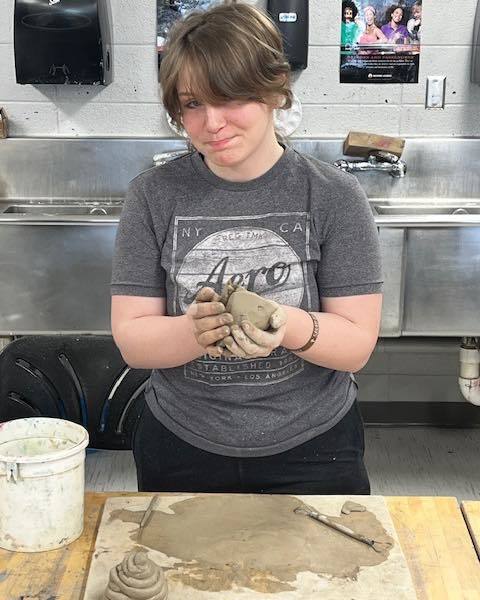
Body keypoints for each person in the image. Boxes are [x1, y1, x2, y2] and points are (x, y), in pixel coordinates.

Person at [111, 2, 383, 495]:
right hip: (181, 443)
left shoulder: (333, 197)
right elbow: (133, 339)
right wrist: (195, 331)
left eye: (229, 97)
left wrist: (285, 326)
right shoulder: (153, 195)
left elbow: (357, 346)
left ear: (275, 92)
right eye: (192, 104)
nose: (211, 122)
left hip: (315, 446)